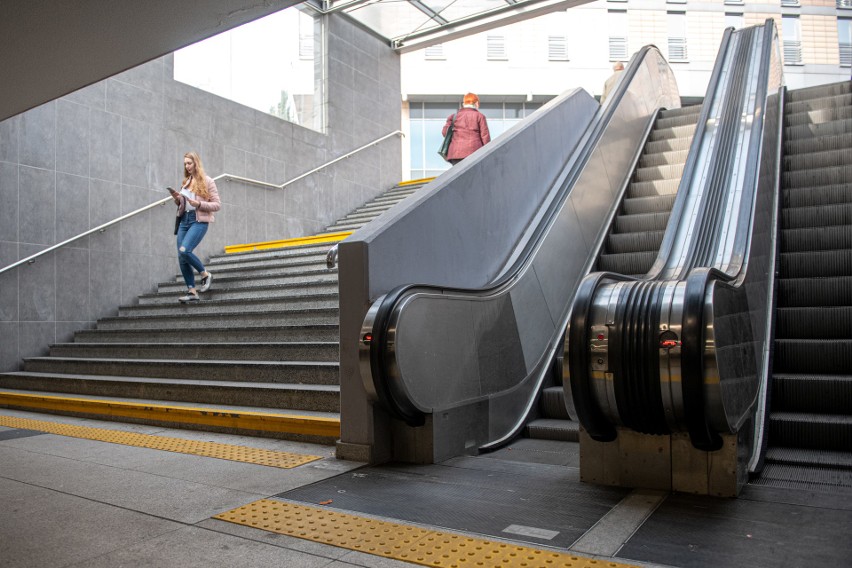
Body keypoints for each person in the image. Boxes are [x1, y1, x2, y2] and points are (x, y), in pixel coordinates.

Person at [169, 151, 221, 303]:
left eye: (189, 163)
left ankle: (205, 274)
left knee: (185, 250)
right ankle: (192, 291)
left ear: (196, 163)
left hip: (198, 221)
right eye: (185, 163)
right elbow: (184, 204)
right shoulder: (186, 182)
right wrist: (178, 200)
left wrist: (198, 204)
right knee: (181, 256)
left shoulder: (208, 181)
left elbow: (217, 205)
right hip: (184, 221)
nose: (187, 166)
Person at [442, 92, 491, 165]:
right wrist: (488, 151)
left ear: (463, 104)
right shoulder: (480, 116)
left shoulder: (453, 116)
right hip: (474, 152)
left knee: (458, 175)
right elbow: (485, 137)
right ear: (476, 103)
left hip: (456, 153)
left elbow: (444, 133)